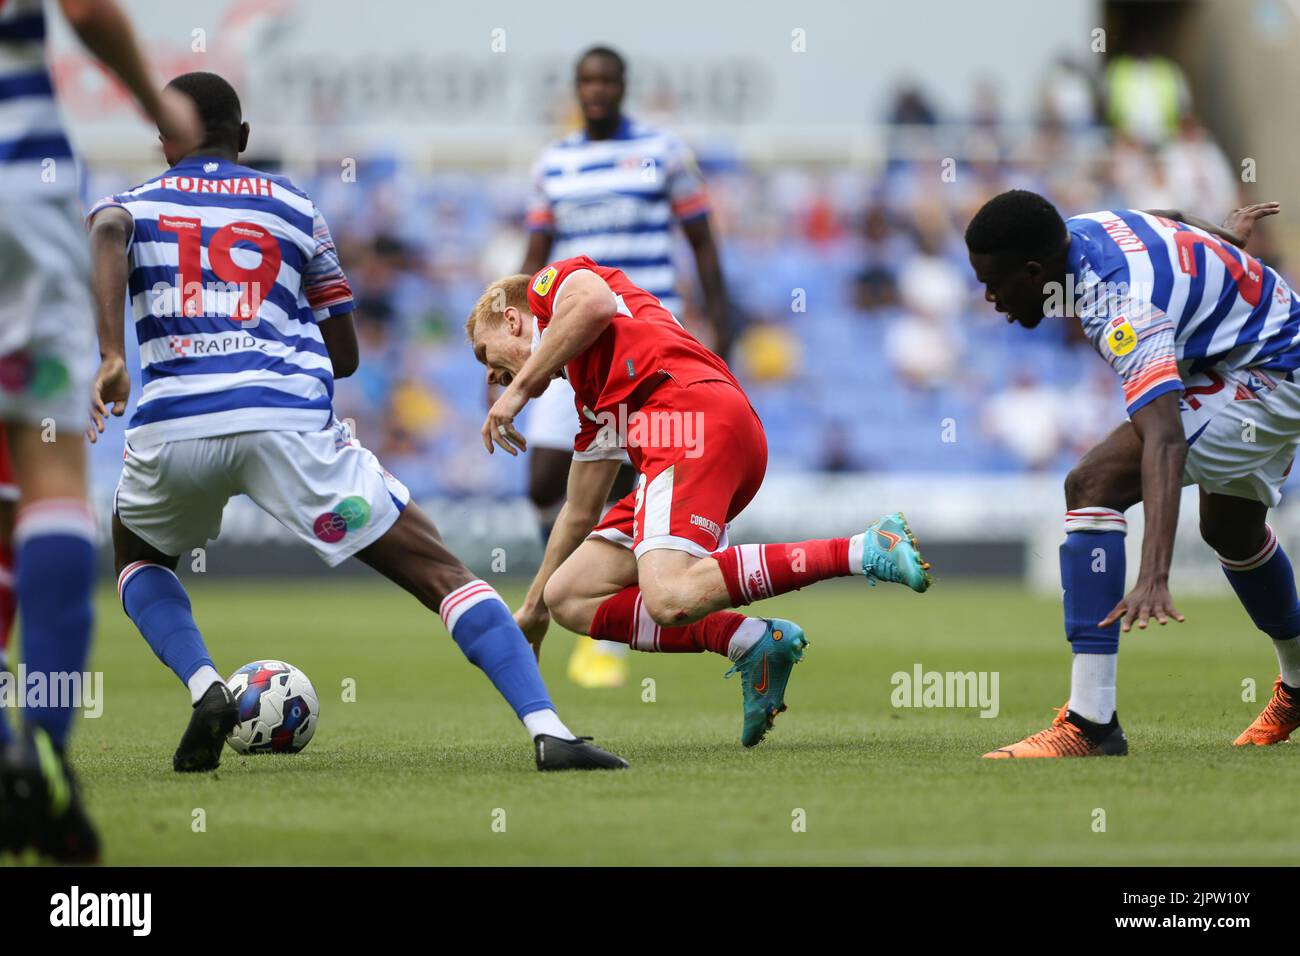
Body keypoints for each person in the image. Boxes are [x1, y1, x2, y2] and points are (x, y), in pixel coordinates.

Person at [85, 72, 628, 777]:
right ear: (244, 139)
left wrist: (109, 352)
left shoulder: (133, 203)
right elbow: (345, 357)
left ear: (164, 141)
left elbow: (106, 229)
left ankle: (206, 686)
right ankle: (548, 731)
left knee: (135, 555)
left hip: (173, 426)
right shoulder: (294, 206)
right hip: (287, 427)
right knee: (439, 571)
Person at [468, 257, 931, 747]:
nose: (491, 377)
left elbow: (595, 303)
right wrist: (535, 607)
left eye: (485, 354)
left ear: (513, 320)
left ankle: (865, 548)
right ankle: (751, 641)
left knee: (668, 596)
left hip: (687, 417)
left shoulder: (552, 286)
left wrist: (518, 391)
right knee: (569, 595)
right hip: (698, 433)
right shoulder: (592, 398)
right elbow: (579, 511)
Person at [965, 188, 1299, 756]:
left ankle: (1091, 723)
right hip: (1258, 344)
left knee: (1092, 484)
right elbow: (1165, 217)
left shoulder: (1119, 304)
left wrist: (1154, 573)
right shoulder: (1080, 230)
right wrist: (1219, 236)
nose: (991, 297)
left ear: (1034, 269)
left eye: (995, 282)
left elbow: (1164, 440)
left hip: (1268, 371)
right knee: (1232, 532)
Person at [0, 0, 203, 864]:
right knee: (49, 474)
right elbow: (84, 7)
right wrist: (156, 105)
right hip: (21, 185)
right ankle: (41, 744)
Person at [520, 46, 731, 688]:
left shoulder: (663, 152)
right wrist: (517, 347)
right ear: (575, 87)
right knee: (542, 480)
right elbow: (532, 258)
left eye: (607, 80)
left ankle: (605, 628)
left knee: (622, 474)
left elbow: (702, 241)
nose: (596, 90)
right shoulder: (554, 162)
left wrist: (722, 323)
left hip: (644, 339)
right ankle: (571, 593)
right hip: (567, 341)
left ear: (622, 86)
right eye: (586, 80)